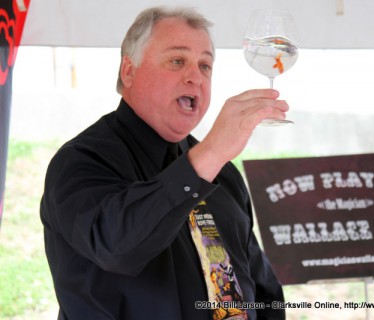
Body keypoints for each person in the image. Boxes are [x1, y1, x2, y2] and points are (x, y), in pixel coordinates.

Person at [40, 6, 288, 320]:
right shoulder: (80, 161)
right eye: (177, 61)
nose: (195, 77)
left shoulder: (222, 173)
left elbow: (259, 286)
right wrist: (209, 155)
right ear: (129, 71)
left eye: (205, 65)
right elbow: (117, 247)